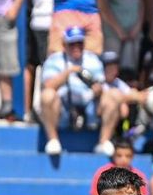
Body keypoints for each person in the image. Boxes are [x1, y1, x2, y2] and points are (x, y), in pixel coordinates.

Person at [36, 26, 105, 157]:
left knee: (112, 95)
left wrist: (96, 89)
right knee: (47, 95)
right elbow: (48, 85)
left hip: (89, 104)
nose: (76, 47)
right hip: (63, 106)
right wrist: (69, 72)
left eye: (80, 43)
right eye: (72, 43)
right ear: (64, 44)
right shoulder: (54, 60)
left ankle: (103, 142)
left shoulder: (93, 60)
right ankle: (53, 140)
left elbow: (101, 84)